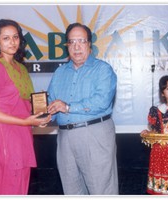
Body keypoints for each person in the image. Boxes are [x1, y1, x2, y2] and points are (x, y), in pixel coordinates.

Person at [47, 22, 118, 195]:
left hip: (94, 133)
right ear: (67, 46)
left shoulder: (103, 70)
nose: (76, 46)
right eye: (72, 42)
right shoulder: (59, 73)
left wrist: (68, 107)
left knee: (101, 190)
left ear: (89, 44)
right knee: (72, 190)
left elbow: (101, 102)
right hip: (64, 137)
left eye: (81, 41)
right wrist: (46, 116)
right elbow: (51, 102)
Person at [0, 19, 51, 195]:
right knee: (8, 188)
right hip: (5, 136)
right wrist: (24, 121)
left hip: (22, 134)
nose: (12, 42)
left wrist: (37, 118)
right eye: (6, 38)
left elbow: (23, 105)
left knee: (20, 186)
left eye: (15, 37)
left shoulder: (20, 68)